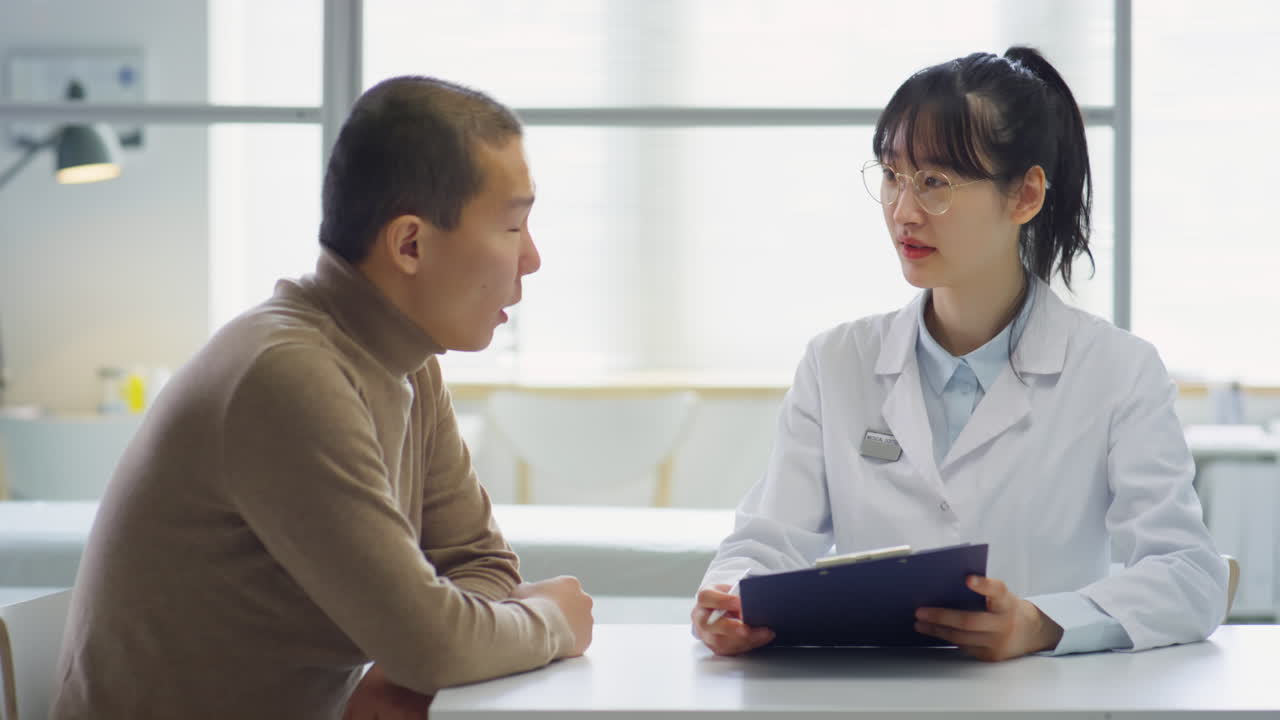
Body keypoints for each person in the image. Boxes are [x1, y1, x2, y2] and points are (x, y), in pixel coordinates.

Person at [52, 76, 593, 720]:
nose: (531, 259)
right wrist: (547, 621)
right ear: (410, 244)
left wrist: (418, 655)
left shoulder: (408, 361)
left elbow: (476, 563)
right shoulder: (287, 375)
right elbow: (436, 643)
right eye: (512, 226)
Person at [692, 47, 1227, 661]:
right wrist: (727, 599)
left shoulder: (1117, 372)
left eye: (935, 183)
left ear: (1024, 196)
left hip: (1041, 702)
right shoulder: (836, 362)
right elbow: (765, 541)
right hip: (871, 699)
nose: (903, 211)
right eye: (892, 175)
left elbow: (1189, 574)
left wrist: (1042, 623)